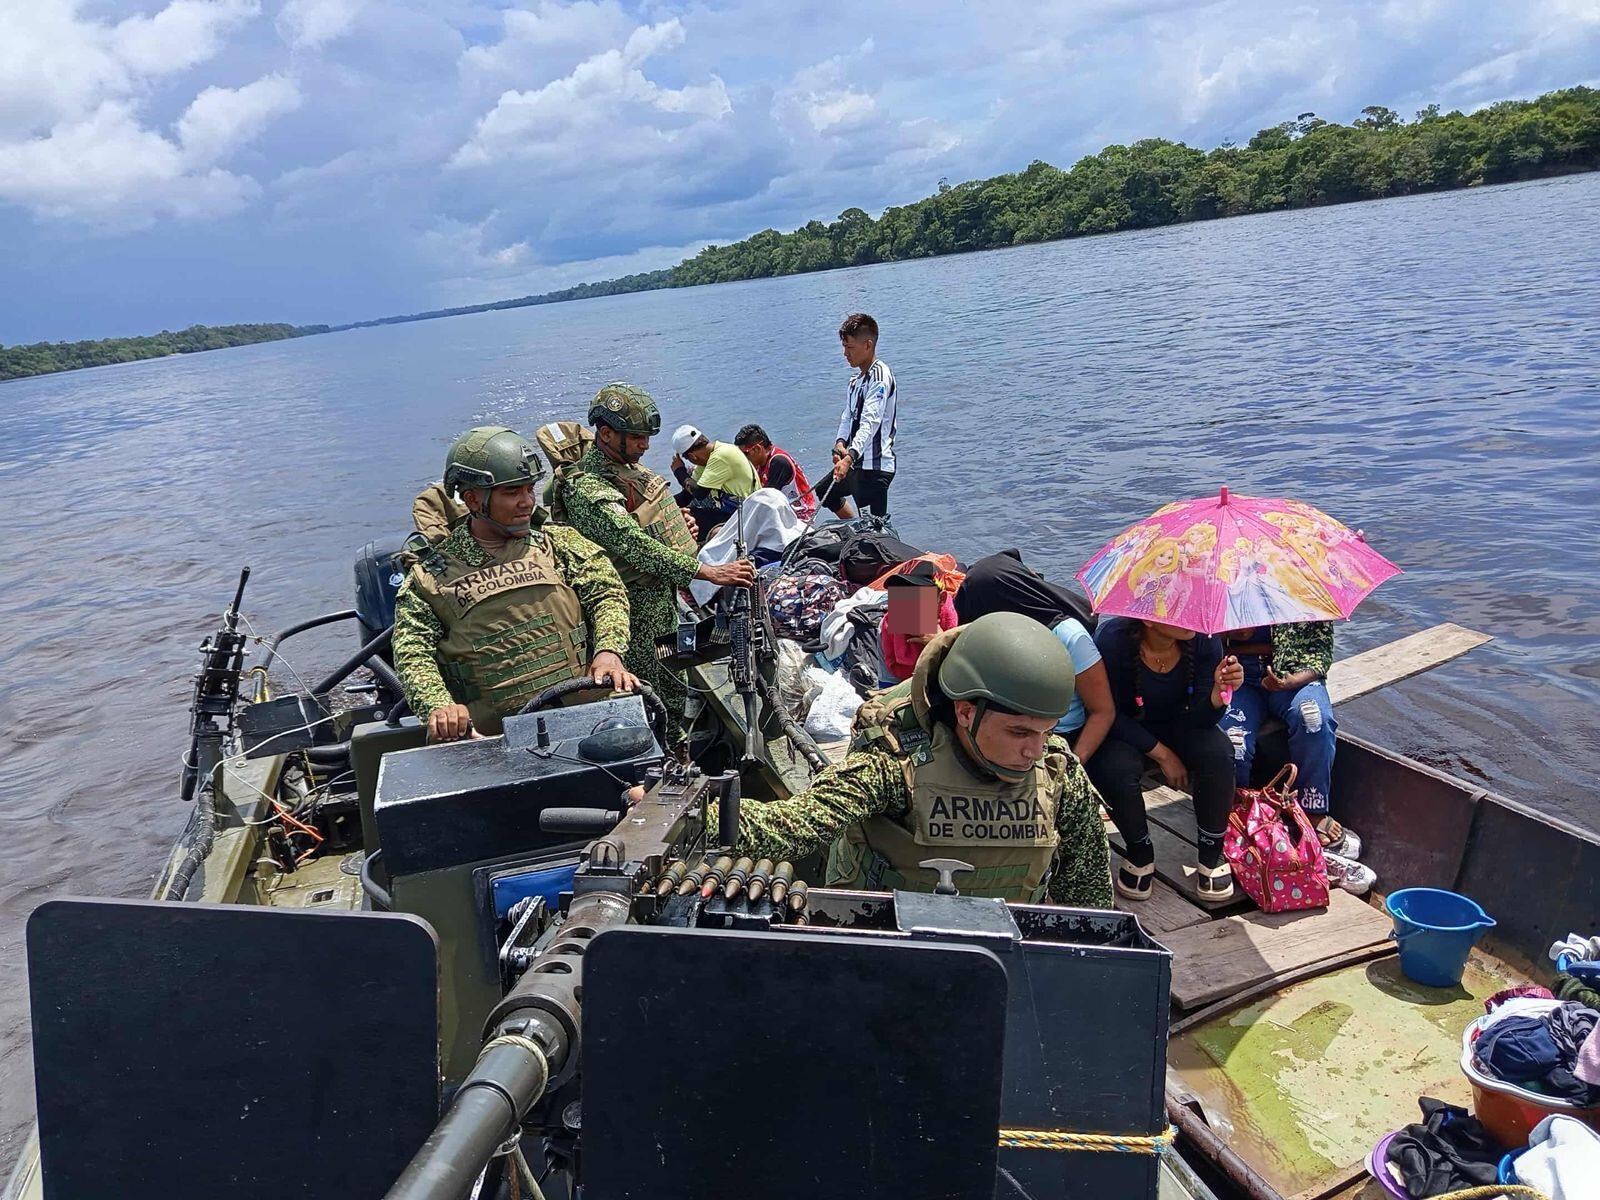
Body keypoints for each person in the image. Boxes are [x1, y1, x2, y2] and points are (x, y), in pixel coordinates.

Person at [706, 612, 1114, 908]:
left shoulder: (1059, 774)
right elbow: (796, 825)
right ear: (966, 712)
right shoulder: (895, 764)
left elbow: (1090, 893)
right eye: (1020, 732)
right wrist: (688, 818)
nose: (1035, 751)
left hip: (1004, 952)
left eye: (1048, 732)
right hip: (887, 940)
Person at [392, 426, 636, 742]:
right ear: (472, 500)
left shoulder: (558, 544)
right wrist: (440, 706)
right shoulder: (431, 577)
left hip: (586, 725)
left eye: (529, 489)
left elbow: (606, 593)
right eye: (512, 493)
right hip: (491, 742)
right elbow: (412, 650)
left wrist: (608, 651)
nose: (527, 502)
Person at [549, 384, 755, 740]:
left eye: (647, 437)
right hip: (629, 611)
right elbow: (633, 545)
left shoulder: (627, 472)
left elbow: (649, 522)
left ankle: (676, 749)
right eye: (637, 437)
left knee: (674, 689)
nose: (645, 446)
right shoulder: (586, 489)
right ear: (607, 434)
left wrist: (681, 524)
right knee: (646, 701)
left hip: (661, 603)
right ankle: (661, 766)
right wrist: (708, 572)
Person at [1085, 616, 1244, 905]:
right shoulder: (1113, 640)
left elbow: (1202, 721)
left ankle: (1211, 852)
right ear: (1148, 619)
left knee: (1219, 753)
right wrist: (1163, 754)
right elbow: (1108, 713)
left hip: (1184, 725)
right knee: (1113, 767)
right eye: (1177, 611)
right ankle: (1139, 851)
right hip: (1126, 728)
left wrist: (1216, 697)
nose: (1190, 618)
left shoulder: (1206, 640)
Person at [953, 549, 1115, 765]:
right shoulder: (991, 639)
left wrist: (1073, 764)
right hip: (1008, 731)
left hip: (1061, 735)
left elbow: (1102, 711)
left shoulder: (1068, 635)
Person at [1219, 621, 1350, 851]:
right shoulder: (1225, 588)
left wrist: (1290, 681)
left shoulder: (1305, 589)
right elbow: (1201, 643)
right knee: (1233, 741)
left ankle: (1312, 810)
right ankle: (1237, 812)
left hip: (1295, 673)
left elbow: (1320, 654)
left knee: (1313, 719)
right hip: (1237, 673)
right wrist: (1230, 634)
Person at [825, 312, 897, 519]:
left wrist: (849, 457)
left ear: (867, 345)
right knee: (826, 492)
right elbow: (848, 417)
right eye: (844, 347)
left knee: (875, 530)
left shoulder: (880, 376)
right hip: (856, 464)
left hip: (874, 467)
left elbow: (870, 421)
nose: (845, 354)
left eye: (849, 348)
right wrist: (840, 442)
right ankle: (855, 529)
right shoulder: (855, 382)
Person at [670, 424, 759, 539]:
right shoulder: (707, 462)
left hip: (749, 515)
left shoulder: (721, 455)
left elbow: (700, 493)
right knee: (687, 512)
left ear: (692, 456)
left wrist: (679, 471)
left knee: (691, 517)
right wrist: (662, 505)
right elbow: (687, 496)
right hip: (735, 512)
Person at [734, 424, 818, 521]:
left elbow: (765, 500)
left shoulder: (779, 462)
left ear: (757, 448)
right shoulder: (759, 463)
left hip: (801, 516)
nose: (743, 459)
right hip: (784, 513)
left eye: (745, 454)